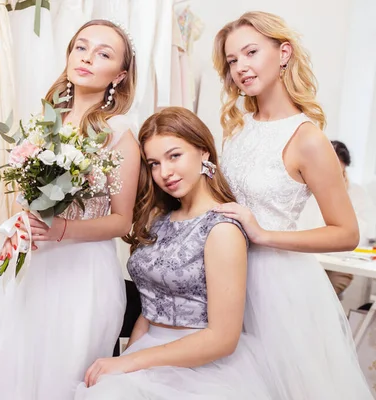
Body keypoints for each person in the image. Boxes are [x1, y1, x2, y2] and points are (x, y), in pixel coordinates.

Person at [0, 19, 140, 400]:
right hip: (30, 261)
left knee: (53, 376)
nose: (88, 57)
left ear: (119, 76)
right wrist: (25, 222)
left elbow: (122, 220)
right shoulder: (46, 121)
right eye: (81, 47)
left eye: (103, 53)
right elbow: (26, 194)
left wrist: (62, 229)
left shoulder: (119, 132)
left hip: (81, 273)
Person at [213, 11, 372, 398]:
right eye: (232, 61)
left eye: (250, 52)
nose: (241, 68)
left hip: (276, 288)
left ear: (283, 52)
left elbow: (346, 233)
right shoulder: (237, 128)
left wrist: (264, 235)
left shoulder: (308, 138)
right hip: (225, 276)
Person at [75, 107, 272, 399]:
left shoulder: (221, 228)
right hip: (148, 350)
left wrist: (130, 362)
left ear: (204, 152)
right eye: (154, 163)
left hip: (201, 366)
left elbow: (222, 339)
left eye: (174, 156)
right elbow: (150, 306)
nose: (164, 173)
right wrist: (124, 362)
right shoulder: (159, 219)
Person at [299, 140, 376, 295]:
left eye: (339, 171)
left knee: (326, 292)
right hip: (307, 259)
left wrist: (342, 196)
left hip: (339, 263)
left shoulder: (357, 193)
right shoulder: (305, 188)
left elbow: (361, 234)